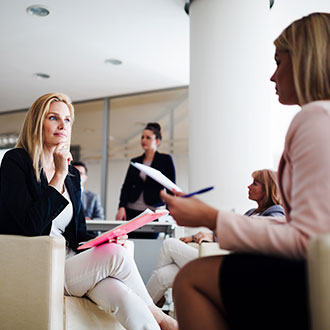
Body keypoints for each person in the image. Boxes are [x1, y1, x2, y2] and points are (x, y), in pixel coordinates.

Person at [162, 12, 330, 330]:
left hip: (316, 279)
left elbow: (309, 239)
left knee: (191, 279)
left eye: (279, 62)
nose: (272, 76)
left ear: (306, 60)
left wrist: (209, 217)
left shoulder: (316, 118)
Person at [0, 92, 177, 330]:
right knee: (116, 255)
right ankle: (162, 318)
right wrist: (58, 175)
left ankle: (157, 325)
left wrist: (106, 240)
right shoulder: (16, 161)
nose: (63, 125)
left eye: (67, 120)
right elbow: (32, 226)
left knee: (123, 297)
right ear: (37, 122)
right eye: (53, 118)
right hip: (40, 266)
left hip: (72, 262)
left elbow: (79, 233)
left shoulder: (71, 174)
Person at [146, 169, 284, 306]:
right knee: (161, 276)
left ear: (268, 189)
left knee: (169, 244)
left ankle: (153, 305)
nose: (249, 186)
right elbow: (233, 235)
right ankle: (142, 319)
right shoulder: (251, 212)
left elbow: (257, 232)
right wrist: (196, 236)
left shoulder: (276, 213)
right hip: (223, 259)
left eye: (255, 183)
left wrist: (213, 220)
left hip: (230, 268)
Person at [116, 122, 176, 238]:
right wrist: (121, 207)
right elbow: (126, 186)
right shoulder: (136, 161)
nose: (144, 140)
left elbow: (171, 187)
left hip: (151, 212)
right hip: (131, 210)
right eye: (142, 137)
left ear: (157, 141)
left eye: (148, 137)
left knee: (150, 243)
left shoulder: (165, 160)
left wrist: (170, 212)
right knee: (130, 242)